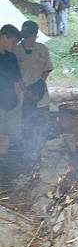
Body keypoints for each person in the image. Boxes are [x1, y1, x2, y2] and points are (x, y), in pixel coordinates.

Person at [14, 21, 53, 160]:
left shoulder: (42, 49)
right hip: (21, 90)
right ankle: (25, 147)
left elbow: (47, 69)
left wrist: (40, 84)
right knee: (24, 119)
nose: (27, 39)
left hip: (39, 88)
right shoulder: (16, 50)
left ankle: (44, 145)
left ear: (35, 35)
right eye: (25, 36)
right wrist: (25, 91)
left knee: (44, 115)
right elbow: (14, 74)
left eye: (30, 35)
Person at [0, 24, 23, 155]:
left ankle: (3, 159)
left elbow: (17, 79)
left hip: (12, 102)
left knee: (7, 134)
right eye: (13, 42)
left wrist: (20, 94)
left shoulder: (11, 57)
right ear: (4, 37)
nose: (15, 46)